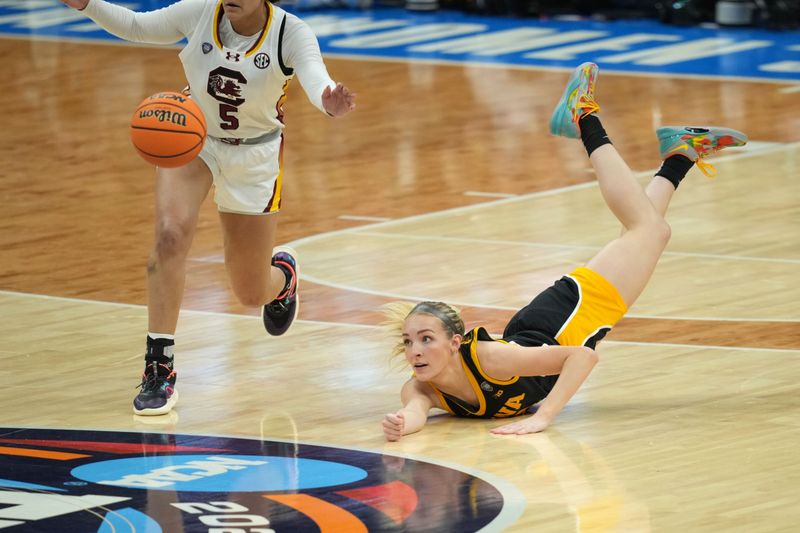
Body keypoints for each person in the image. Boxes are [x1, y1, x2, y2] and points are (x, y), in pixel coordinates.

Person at [381, 62, 746, 441]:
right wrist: (402, 425)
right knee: (643, 234)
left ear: (454, 343)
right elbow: (414, 413)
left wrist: (545, 417)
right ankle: (681, 154)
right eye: (409, 342)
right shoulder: (422, 389)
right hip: (557, 325)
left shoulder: (492, 359)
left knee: (651, 231)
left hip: (565, 317)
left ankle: (584, 116)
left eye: (426, 339)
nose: (415, 351)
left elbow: (582, 357)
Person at [59, 0, 356, 415]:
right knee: (169, 235)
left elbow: (315, 79)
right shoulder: (199, 11)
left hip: (254, 156)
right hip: (193, 138)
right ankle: (159, 366)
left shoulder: (292, 33)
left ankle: (283, 277)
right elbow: (137, 26)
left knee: (250, 292)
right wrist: (88, 4)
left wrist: (329, 101)